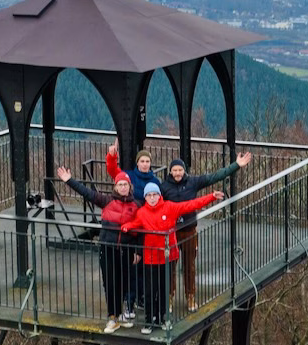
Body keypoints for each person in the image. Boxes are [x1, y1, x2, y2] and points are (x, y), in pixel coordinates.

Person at [123, 182, 224, 334]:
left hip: (167, 257)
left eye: (155, 195)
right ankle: (150, 321)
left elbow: (190, 205)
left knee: (164, 289)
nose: (152, 198)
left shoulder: (169, 207)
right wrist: (127, 226)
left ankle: (163, 318)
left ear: (159, 195)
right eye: (149, 195)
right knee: (150, 290)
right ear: (145, 197)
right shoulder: (142, 212)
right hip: (150, 258)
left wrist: (211, 197)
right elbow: (135, 223)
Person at [161, 151, 252, 311]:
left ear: (184, 171)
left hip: (188, 230)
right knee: (169, 267)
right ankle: (169, 298)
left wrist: (236, 165)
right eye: (174, 170)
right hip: (171, 232)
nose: (177, 173)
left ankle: (190, 297)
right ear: (170, 171)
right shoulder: (164, 187)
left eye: (180, 170)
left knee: (189, 266)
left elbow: (214, 176)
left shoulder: (193, 182)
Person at [56, 166, 139, 334]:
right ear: (115, 187)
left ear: (130, 187)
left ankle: (119, 314)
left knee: (123, 283)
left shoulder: (136, 205)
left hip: (126, 249)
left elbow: (140, 230)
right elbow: (87, 193)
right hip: (108, 249)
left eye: (125, 184)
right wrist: (69, 181)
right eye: (120, 184)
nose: (123, 187)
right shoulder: (106, 201)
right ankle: (112, 317)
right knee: (110, 282)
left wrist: (138, 252)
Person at [105, 140, 162, 312]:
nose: (145, 164)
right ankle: (131, 298)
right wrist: (112, 156)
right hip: (132, 224)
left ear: (150, 163)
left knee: (143, 266)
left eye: (147, 161)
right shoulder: (129, 176)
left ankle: (140, 297)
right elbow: (113, 171)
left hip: (146, 226)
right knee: (133, 267)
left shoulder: (155, 181)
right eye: (142, 161)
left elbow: (161, 202)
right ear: (137, 162)